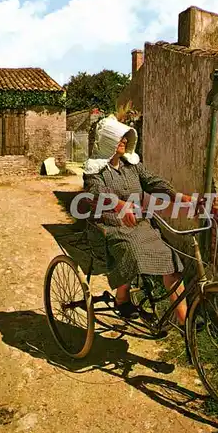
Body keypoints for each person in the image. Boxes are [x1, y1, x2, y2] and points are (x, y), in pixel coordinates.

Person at [83, 115, 194, 326]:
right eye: (119, 138)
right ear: (108, 141)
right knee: (132, 252)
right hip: (108, 228)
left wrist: (182, 198)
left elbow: (154, 182)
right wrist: (119, 205)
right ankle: (122, 297)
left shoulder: (131, 166)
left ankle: (184, 321)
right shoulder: (94, 171)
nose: (124, 141)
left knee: (170, 260)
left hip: (138, 225)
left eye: (125, 137)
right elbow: (96, 193)